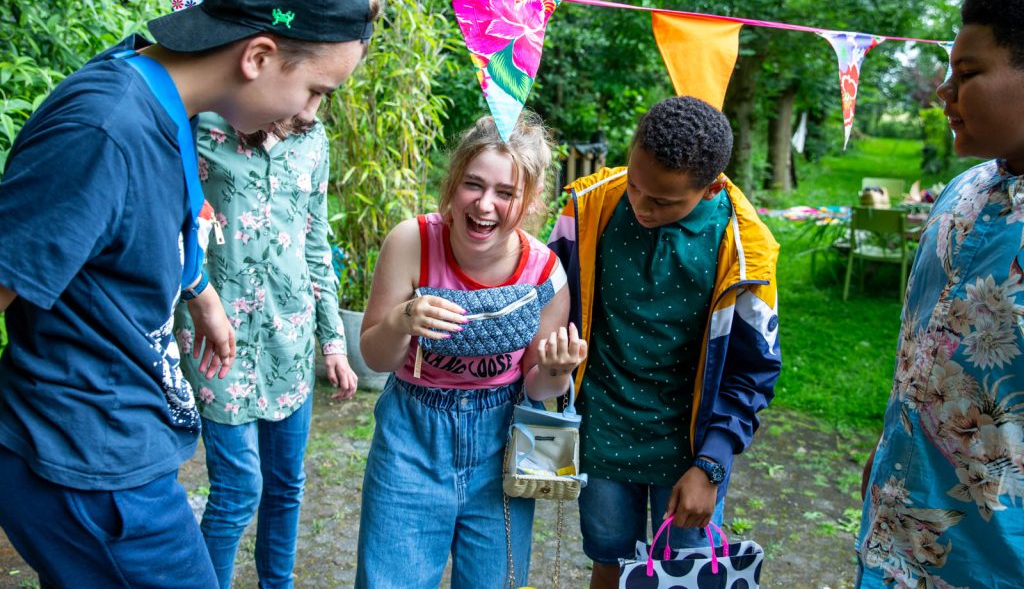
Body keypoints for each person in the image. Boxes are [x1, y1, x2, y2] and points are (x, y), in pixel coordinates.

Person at [0, 0, 374, 587]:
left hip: (117, 450)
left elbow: (144, 223)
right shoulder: (105, 127)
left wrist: (202, 295)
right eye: (318, 91)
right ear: (258, 55)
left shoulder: (168, 95)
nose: (313, 115)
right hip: (86, 466)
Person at [547, 95, 781, 589]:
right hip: (604, 433)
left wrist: (711, 464)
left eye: (664, 201)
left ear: (711, 187)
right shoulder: (587, 207)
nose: (641, 205)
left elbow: (753, 370)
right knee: (608, 560)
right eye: (635, 185)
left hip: (690, 450)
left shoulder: (745, 249)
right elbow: (548, 307)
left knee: (689, 571)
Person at [354, 113, 586, 588]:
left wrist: (558, 371)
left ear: (529, 199)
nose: (484, 205)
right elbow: (376, 359)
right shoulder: (412, 241)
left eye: (506, 193)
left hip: (501, 441)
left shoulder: (546, 272)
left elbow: (537, 385)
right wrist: (401, 321)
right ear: (453, 182)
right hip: (410, 439)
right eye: (472, 185)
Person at [856, 0, 1024, 588]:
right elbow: (921, 351)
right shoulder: (961, 192)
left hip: (993, 561)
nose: (943, 91)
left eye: (969, 73)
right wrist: (889, 449)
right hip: (890, 535)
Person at [173, 108, 369, 587]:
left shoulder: (314, 138)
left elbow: (316, 243)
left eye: (326, 95)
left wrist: (333, 342)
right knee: (238, 490)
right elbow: (171, 224)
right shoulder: (204, 123)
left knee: (285, 486)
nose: (314, 105)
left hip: (290, 336)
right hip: (216, 338)